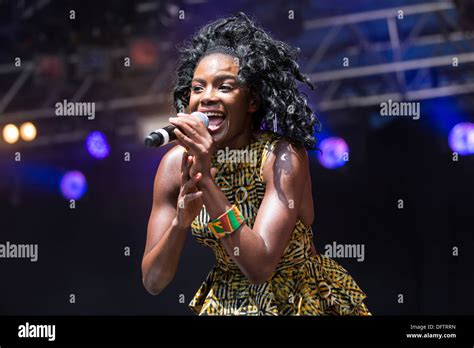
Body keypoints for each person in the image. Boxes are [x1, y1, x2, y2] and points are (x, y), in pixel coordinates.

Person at [141, 12, 371, 315]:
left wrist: (206, 181)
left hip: (299, 300)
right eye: (198, 88)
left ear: (251, 102)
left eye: (224, 87)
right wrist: (179, 223)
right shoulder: (175, 165)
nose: (207, 97)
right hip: (229, 303)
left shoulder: (282, 155)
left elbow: (260, 266)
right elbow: (153, 281)